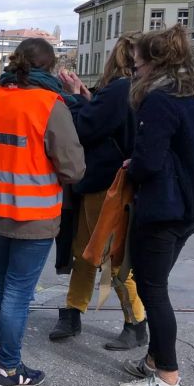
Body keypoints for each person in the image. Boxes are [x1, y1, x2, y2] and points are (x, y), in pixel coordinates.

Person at [0, 37, 85, 386]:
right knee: (18, 291)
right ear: (49, 67)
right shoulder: (50, 104)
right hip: (34, 215)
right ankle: (9, 367)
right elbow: (73, 169)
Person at [118, 26, 194, 386]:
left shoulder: (159, 99)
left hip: (165, 207)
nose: (134, 68)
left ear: (151, 62)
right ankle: (154, 359)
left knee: (153, 289)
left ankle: (168, 376)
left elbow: (148, 160)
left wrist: (131, 168)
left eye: (137, 62)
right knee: (156, 282)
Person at [49, 35, 147, 350]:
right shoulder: (133, 89)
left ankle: (136, 320)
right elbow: (106, 121)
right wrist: (84, 94)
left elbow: (85, 127)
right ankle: (73, 310)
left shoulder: (119, 88)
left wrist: (73, 98)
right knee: (86, 251)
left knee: (107, 256)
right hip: (113, 181)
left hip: (105, 185)